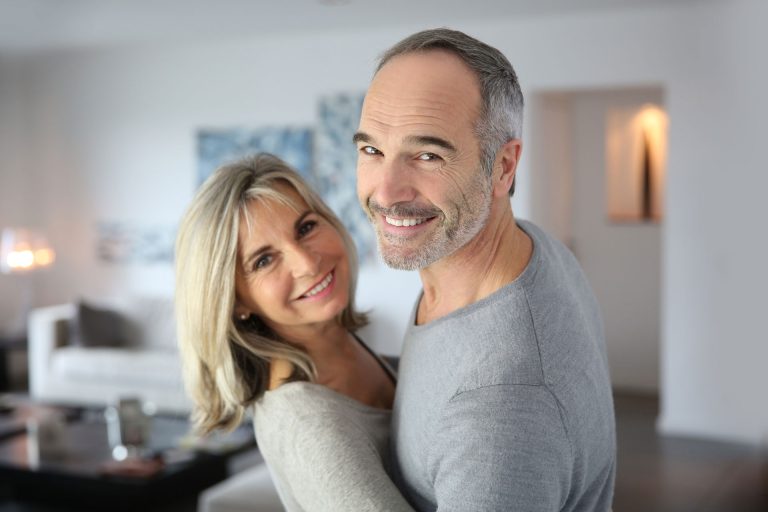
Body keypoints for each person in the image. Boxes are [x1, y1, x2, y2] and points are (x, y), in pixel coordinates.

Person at [354, 28, 616, 511]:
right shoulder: (532, 247)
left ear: (503, 167)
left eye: (427, 155)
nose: (386, 191)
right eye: (372, 150)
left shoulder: (502, 411)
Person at [175, 154, 414, 512]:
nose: (306, 263)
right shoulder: (306, 422)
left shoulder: (343, 346)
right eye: (264, 260)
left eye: (305, 228)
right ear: (235, 301)